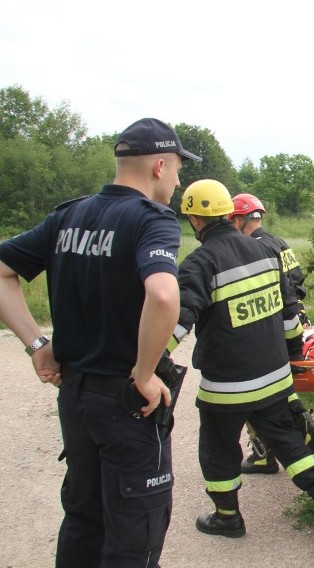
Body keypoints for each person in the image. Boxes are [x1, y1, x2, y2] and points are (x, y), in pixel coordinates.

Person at [0, 117, 195, 566]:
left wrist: (36, 344)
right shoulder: (152, 220)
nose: (179, 180)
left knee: (84, 521)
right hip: (127, 404)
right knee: (133, 535)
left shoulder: (68, 216)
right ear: (160, 166)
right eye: (179, 169)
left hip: (76, 399)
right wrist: (145, 374)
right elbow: (164, 294)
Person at [171, 179, 314, 545]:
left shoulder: (199, 263)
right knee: (288, 441)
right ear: (228, 213)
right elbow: (290, 315)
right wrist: (289, 358)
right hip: (273, 376)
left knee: (217, 447)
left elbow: (179, 319)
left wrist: (149, 363)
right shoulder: (265, 252)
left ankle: (227, 517)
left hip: (228, 385)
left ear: (194, 219)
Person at [228, 193, 314, 474]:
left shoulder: (250, 248)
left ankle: (264, 453)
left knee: (254, 387)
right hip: (294, 318)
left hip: (270, 324)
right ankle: (306, 432)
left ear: (238, 220)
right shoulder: (278, 242)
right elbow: (296, 281)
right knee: (277, 384)